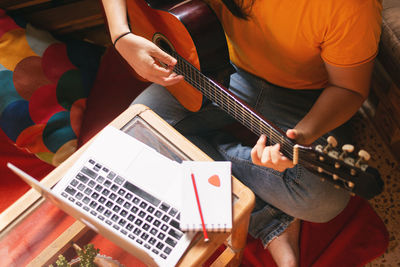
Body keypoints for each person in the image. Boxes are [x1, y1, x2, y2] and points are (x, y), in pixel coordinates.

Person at [101, 0, 382, 266]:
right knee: (133, 131)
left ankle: (208, 156)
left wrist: (301, 137)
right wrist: (120, 34)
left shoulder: (350, 6)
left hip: (301, 98)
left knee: (323, 201)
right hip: (221, 69)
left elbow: (349, 89)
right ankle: (268, 219)